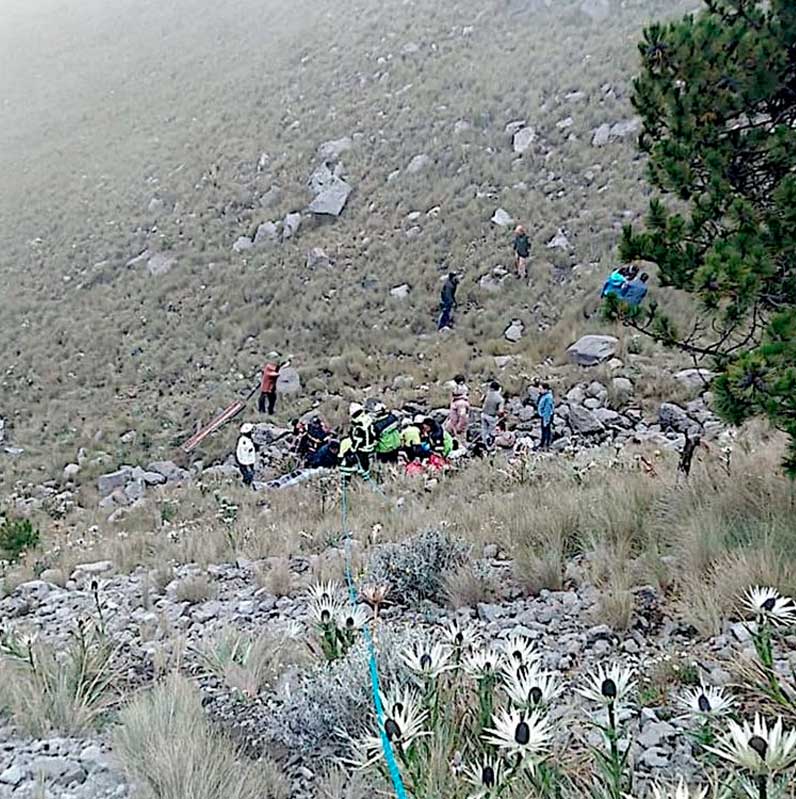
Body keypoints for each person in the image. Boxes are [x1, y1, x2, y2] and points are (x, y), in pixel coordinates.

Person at [348, 403, 377, 478]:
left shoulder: (359, 425)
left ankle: (365, 475)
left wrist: (352, 449)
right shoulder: (368, 419)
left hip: (363, 449)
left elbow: (358, 440)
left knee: (363, 464)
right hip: (372, 446)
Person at [480, 382, 505, 450]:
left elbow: (481, 400)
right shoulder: (500, 399)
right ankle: (490, 446)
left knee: (484, 430)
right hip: (492, 417)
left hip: (483, 414)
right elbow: (500, 411)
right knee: (492, 431)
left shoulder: (487, 394)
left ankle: (484, 443)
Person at [537, 383, 555, 451]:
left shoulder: (548, 398)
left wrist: (546, 420)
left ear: (545, 389)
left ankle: (546, 445)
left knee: (546, 430)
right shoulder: (544, 396)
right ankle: (543, 444)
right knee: (544, 430)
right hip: (543, 415)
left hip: (546, 416)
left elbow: (547, 409)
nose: (539, 390)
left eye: (541, 389)